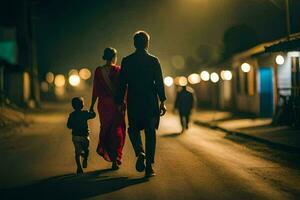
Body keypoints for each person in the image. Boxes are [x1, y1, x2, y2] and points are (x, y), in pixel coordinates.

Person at [115, 31, 167, 177]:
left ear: (134, 44)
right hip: (150, 101)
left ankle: (140, 152)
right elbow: (159, 83)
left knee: (133, 129)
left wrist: (119, 102)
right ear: (147, 44)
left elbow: (122, 84)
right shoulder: (153, 60)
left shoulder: (127, 61)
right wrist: (162, 101)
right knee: (150, 132)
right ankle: (149, 167)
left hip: (134, 101)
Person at [89, 47, 126, 170]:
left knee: (106, 129)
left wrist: (91, 106)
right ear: (115, 57)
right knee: (117, 130)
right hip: (117, 104)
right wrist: (125, 103)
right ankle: (116, 158)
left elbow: (96, 90)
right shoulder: (120, 70)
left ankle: (110, 154)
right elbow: (124, 89)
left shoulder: (99, 71)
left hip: (104, 105)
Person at [67, 97, 96, 174]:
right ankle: (85, 158)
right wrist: (92, 110)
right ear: (82, 105)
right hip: (84, 136)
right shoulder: (85, 113)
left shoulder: (72, 115)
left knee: (77, 152)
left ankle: (79, 168)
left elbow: (68, 126)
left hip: (75, 136)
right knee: (86, 150)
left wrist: (73, 125)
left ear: (73, 106)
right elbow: (93, 115)